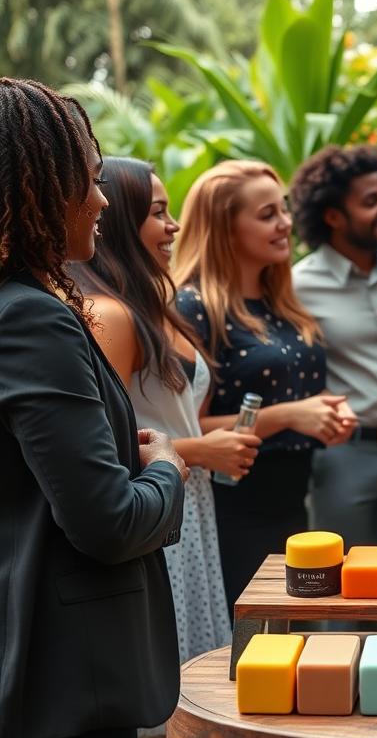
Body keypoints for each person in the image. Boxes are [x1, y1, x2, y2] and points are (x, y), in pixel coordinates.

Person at [0, 78, 186, 738]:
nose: (103, 199)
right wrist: (166, 465)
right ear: (36, 187)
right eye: (85, 179)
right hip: (61, 689)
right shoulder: (29, 317)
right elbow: (107, 523)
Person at [72, 157, 250, 667]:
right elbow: (100, 443)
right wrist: (200, 451)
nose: (173, 226)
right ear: (122, 221)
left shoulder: (157, 305)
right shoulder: (108, 315)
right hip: (155, 507)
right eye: (157, 212)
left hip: (191, 508)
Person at [171, 159, 355, 611]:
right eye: (267, 214)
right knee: (254, 647)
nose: (286, 224)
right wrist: (292, 415)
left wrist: (326, 416)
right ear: (224, 228)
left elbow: (297, 398)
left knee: (296, 638)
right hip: (234, 509)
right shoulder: (193, 309)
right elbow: (189, 427)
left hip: (293, 500)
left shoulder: (281, 303)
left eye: (284, 210)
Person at [290, 145, 377, 549]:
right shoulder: (298, 285)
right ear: (333, 216)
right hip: (343, 457)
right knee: (342, 591)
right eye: (371, 202)